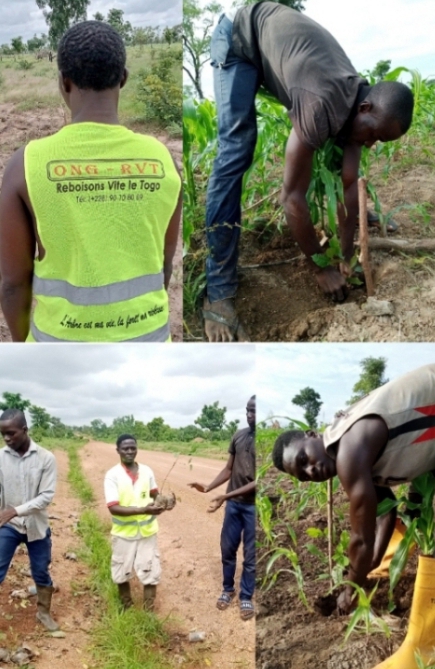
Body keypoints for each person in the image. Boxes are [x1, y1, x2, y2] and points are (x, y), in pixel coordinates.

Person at [202, 2, 414, 341]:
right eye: (373, 135)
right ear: (365, 108)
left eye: (379, 140)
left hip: (281, 48)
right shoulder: (320, 103)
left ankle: (355, 231)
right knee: (236, 148)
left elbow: (348, 186)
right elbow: (292, 198)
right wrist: (320, 267)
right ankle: (218, 290)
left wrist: (344, 256)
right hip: (240, 35)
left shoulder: (361, 106)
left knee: (341, 161)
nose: (371, 143)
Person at [0, 20, 182, 343]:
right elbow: (164, 267)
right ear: (123, 78)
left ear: (63, 82)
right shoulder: (164, 162)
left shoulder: (24, 167)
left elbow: (13, 283)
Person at [272, 364, 435, 669]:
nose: (312, 471)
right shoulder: (353, 452)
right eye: (305, 475)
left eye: (305, 458)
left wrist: (351, 589)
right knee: (419, 512)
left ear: (310, 435)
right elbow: (386, 515)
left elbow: (360, 539)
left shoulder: (349, 449)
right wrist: (368, 566)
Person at [189, 396, 256, 620]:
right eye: (247, 411)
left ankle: (246, 596)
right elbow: (229, 469)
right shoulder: (239, 436)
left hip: (254, 508)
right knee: (227, 549)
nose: (249, 416)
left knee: (251, 555)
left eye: (254, 412)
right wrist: (208, 488)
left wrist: (225, 495)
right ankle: (228, 589)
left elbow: (258, 482)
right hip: (234, 506)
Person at [0, 408, 58, 631]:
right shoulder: (1, 457)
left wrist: (15, 510)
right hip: (9, 525)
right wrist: (8, 514)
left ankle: (43, 613)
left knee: (40, 570)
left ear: (24, 430)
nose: (6, 438)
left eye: (11, 433)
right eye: (3, 434)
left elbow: (46, 497)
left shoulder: (46, 458)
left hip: (36, 525)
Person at [104, 434, 174, 611]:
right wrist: (144, 510)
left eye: (132, 448)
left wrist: (163, 501)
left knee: (151, 571)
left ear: (137, 449)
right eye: (125, 448)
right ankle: (126, 608)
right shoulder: (112, 475)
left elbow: (154, 493)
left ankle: (148, 611)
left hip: (147, 532)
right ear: (118, 450)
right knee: (122, 571)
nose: (129, 451)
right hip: (123, 534)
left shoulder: (147, 471)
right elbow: (113, 508)